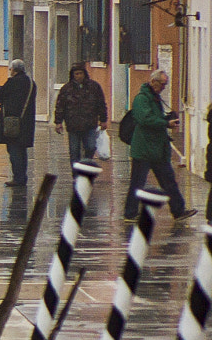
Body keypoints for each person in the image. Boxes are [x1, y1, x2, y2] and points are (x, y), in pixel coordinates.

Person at [124, 69, 198, 222]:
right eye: (162, 84)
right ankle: (130, 213)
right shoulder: (142, 98)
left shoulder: (154, 98)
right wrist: (165, 123)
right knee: (137, 182)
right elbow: (145, 119)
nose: (164, 87)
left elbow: (153, 118)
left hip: (157, 149)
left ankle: (178, 210)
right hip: (143, 149)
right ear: (153, 82)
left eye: (165, 84)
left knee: (168, 180)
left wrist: (166, 120)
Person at [0, 59, 38, 186]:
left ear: (14, 70)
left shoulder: (13, 82)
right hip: (27, 121)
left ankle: (18, 178)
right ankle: (22, 177)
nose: (10, 71)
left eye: (11, 69)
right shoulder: (31, 83)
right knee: (22, 151)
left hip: (12, 122)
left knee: (14, 150)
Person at [53, 62, 108, 164]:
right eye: (76, 74)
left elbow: (101, 103)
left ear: (84, 74)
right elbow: (60, 106)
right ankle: (76, 174)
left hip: (90, 123)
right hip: (73, 125)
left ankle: (86, 167)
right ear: (73, 75)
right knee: (74, 151)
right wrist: (58, 122)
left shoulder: (94, 87)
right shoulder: (67, 89)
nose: (78, 76)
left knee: (91, 147)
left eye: (80, 73)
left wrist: (103, 119)